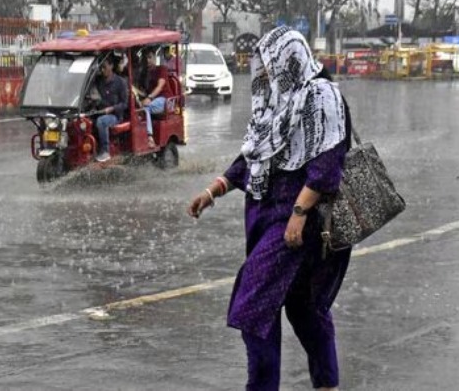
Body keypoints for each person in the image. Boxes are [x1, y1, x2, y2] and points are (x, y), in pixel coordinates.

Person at [187, 26, 351, 391]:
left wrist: (299, 213)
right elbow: (255, 158)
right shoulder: (277, 104)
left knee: (253, 304)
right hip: (268, 218)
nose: (263, 73)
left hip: (297, 223)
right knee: (303, 308)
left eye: (269, 64)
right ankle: (327, 384)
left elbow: (328, 164)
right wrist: (214, 190)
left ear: (288, 60)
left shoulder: (320, 97)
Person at [94, 57, 128, 162]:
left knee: (101, 121)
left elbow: (124, 104)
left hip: (115, 116)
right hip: (98, 112)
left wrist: (112, 108)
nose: (102, 70)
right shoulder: (98, 81)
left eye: (104, 67)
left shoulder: (120, 82)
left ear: (111, 66)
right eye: (101, 68)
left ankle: (105, 151)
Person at [140, 49, 173, 147]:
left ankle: (150, 137)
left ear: (155, 58)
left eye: (150, 57)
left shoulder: (161, 69)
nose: (147, 61)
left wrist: (149, 98)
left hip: (165, 100)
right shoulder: (144, 74)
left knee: (146, 107)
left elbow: (160, 86)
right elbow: (143, 91)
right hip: (154, 100)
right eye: (145, 58)